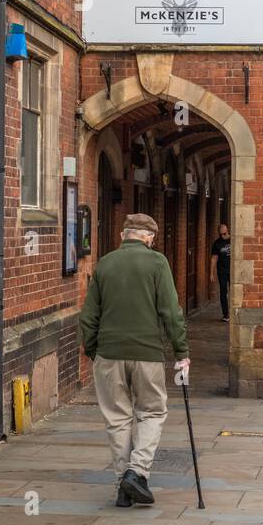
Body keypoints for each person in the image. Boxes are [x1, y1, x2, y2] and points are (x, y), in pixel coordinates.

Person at [79, 213, 189, 508]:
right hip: (147, 354)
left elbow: (88, 317)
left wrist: (94, 352)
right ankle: (137, 472)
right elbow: (170, 311)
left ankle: (122, 486)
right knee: (152, 412)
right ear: (148, 237)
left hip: (108, 354)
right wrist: (181, 352)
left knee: (117, 419)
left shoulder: (105, 263)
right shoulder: (157, 263)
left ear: (123, 235)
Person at [210, 223, 231, 321]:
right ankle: (226, 314)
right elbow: (214, 258)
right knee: (223, 292)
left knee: (234, 292)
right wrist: (211, 273)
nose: (223, 236)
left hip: (233, 270)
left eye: (224, 233)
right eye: (221, 234)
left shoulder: (233, 240)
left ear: (228, 230)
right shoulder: (217, 243)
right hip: (222, 270)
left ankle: (235, 312)